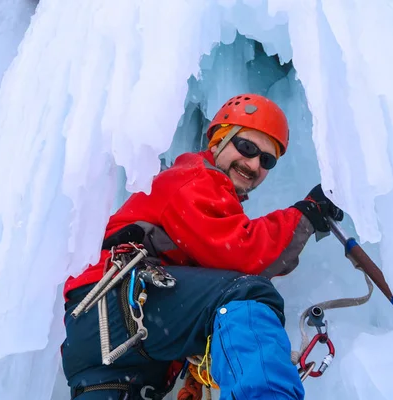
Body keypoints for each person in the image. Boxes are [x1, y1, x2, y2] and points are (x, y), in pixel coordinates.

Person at [61, 94, 343, 399]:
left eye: (266, 160)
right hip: (116, 308)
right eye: (246, 147)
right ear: (219, 140)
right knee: (247, 292)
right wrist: (306, 215)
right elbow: (244, 253)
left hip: (104, 350)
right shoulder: (193, 178)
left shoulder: (204, 197)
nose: (253, 164)